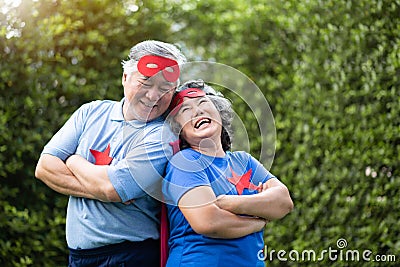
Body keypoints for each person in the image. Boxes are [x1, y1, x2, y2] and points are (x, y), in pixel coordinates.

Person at [35, 40, 186, 267]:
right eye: (146, 82)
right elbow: (44, 168)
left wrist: (74, 161)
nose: (154, 95)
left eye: (165, 88)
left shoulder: (163, 136)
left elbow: (111, 188)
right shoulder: (91, 112)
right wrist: (104, 189)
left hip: (131, 257)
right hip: (78, 257)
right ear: (125, 78)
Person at [162, 80, 294, 267]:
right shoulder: (186, 163)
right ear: (179, 131)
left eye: (203, 103)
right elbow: (209, 222)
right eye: (185, 110)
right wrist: (259, 220)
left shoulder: (243, 161)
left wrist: (230, 203)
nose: (197, 111)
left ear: (219, 113)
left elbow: (283, 202)